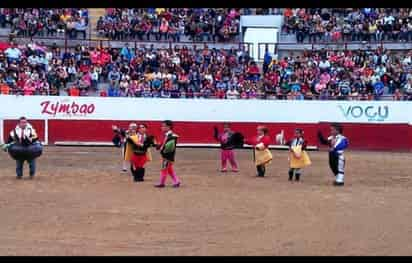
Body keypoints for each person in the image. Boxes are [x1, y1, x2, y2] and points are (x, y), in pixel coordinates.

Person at [155, 120, 181, 188]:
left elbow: (169, 148)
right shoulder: (168, 135)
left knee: (164, 169)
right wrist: (159, 146)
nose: (162, 127)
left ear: (168, 127)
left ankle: (161, 183)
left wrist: (161, 149)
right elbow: (165, 144)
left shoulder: (172, 136)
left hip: (168, 157)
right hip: (167, 156)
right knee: (169, 170)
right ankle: (177, 181)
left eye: (163, 126)